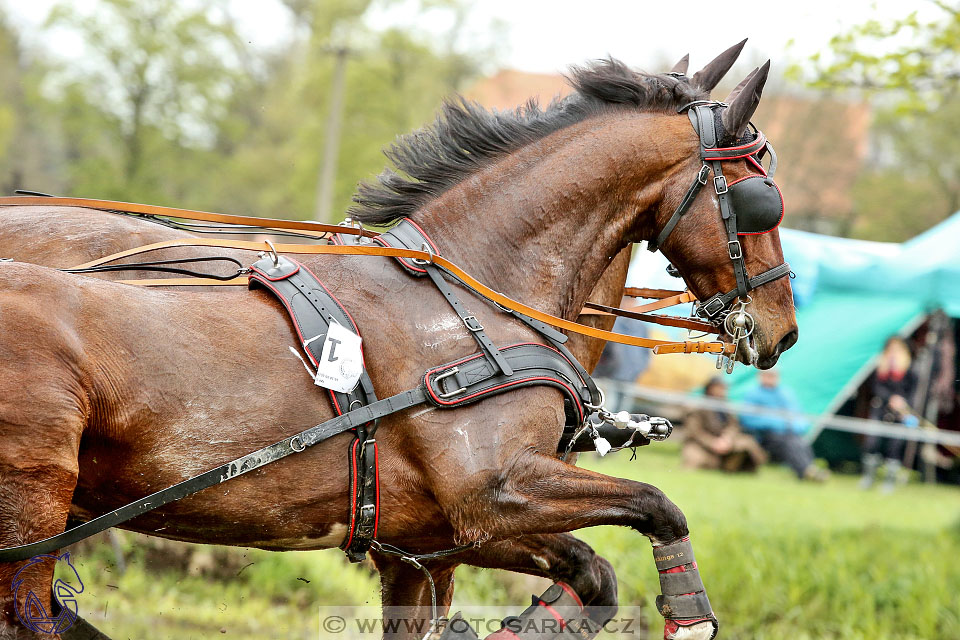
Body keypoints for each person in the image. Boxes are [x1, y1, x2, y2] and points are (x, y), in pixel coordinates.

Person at [740, 369, 829, 481]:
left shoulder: (786, 393)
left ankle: (810, 469)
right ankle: (805, 472)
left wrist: (794, 426)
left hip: (788, 432)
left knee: (800, 443)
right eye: (767, 375)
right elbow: (748, 419)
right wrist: (775, 423)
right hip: (766, 435)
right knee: (789, 443)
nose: (770, 378)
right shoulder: (752, 394)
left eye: (773, 376)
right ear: (760, 376)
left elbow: (798, 416)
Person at [860, 336, 919, 492]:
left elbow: (914, 393)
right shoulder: (880, 368)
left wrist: (904, 405)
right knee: (871, 443)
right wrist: (890, 398)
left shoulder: (911, 370)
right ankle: (868, 478)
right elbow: (876, 387)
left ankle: (889, 483)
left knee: (895, 447)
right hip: (880, 409)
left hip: (901, 414)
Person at [682, 377, 767, 472]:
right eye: (719, 388)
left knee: (747, 444)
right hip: (702, 444)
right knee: (694, 459)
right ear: (710, 388)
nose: (722, 391)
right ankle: (723, 465)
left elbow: (733, 425)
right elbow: (695, 432)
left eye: (723, 388)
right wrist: (713, 443)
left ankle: (733, 465)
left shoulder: (726, 405)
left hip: (726, 442)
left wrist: (727, 438)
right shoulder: (698, 407)